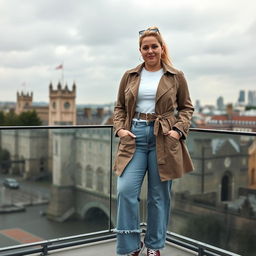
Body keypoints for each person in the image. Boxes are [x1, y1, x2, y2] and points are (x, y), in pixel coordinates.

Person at [113, 26, 194, 256]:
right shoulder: (129, 75)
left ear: (161, 48)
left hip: (163, 138)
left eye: (154, 46)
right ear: (140, 50)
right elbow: (119, 107)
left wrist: (178, 130)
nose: (150, 51)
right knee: (125, 191)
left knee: (158, 198)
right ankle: (130, 246)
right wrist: (120, 130)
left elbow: (187, 108)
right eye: (145, 47)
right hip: (134, 137)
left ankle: (154, 247)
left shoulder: (175, 76)